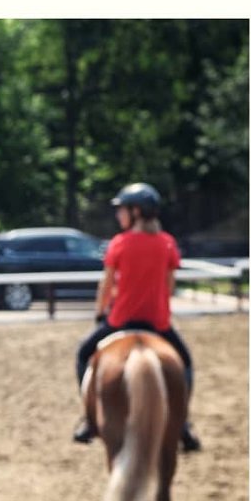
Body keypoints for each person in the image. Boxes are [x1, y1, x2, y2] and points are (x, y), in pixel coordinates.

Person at [73, 182, 201, 452]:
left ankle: (88, 418)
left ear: (137, 212)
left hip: (121, 321)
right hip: (159, 324)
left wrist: (100, 314)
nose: (118, 215)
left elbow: (106, 285)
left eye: (122, 209)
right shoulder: (167, 243)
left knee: (83, 354)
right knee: (185, 364)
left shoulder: (120, 243)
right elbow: (170, 286)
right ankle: (183, 423)